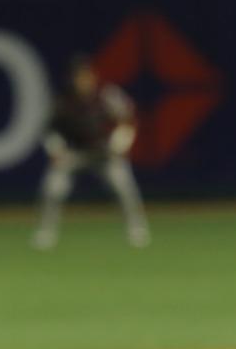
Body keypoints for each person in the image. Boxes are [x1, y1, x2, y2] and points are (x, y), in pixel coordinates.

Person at [31, 56, 150, 250]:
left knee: (124, 186)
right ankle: (46, 232)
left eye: (87, 76)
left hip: (103, 153)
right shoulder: (62, 100)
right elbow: (48, 130)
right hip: (73, 153)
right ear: (72, 79)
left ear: (93, 77)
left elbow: (128, 119)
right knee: (53, 189)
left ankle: (137, 229)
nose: (83, 81)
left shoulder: (106, 95)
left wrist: (120, 144)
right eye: (79, 77)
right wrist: (56, 149)